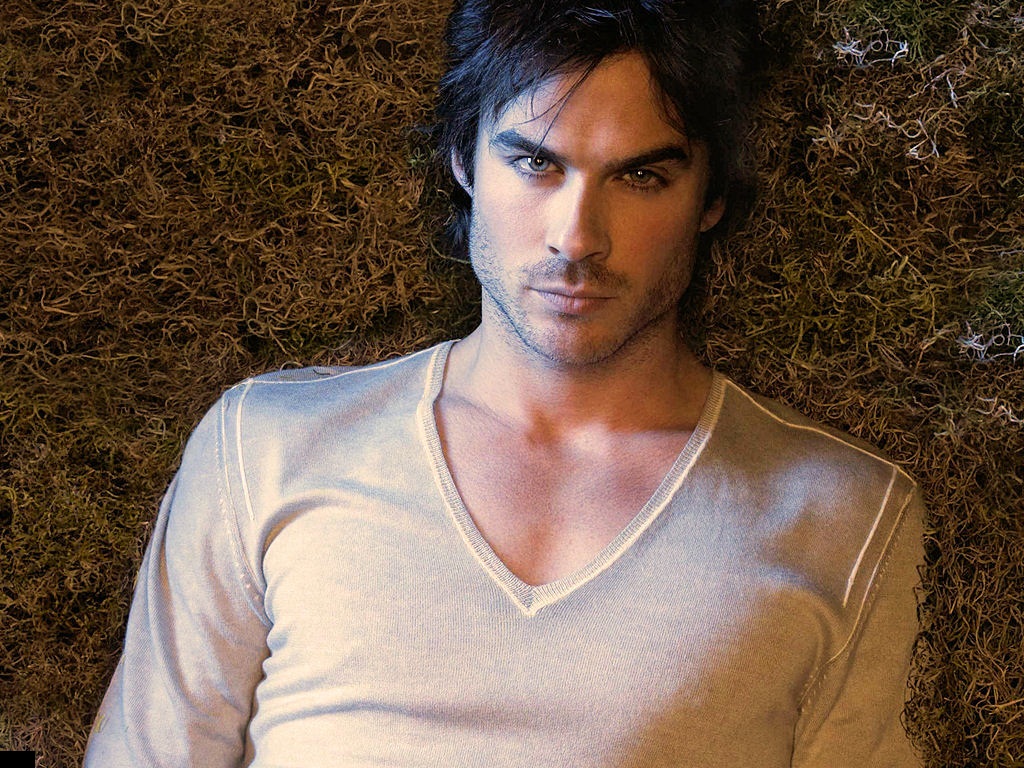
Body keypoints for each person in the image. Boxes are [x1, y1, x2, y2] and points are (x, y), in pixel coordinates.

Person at [84, 1, 925, 766]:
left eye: (641, 176)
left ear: (711, 196)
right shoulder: (266, 448)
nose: (577, 238)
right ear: (463, 158)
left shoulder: (843, 515)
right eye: (535, 164)